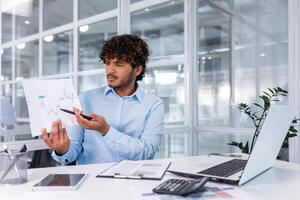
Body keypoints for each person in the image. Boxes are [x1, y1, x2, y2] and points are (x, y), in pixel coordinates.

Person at [41, 34, 165, 165]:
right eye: (107, 63)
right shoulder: (86, 98)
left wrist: (105, 130)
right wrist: (62, 149)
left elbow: (146, 152)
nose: (110, 70)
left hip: (133, 182)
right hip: (89, 182)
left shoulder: (153, 104)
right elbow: (72, 152)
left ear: (138, 69)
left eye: (119, 64)